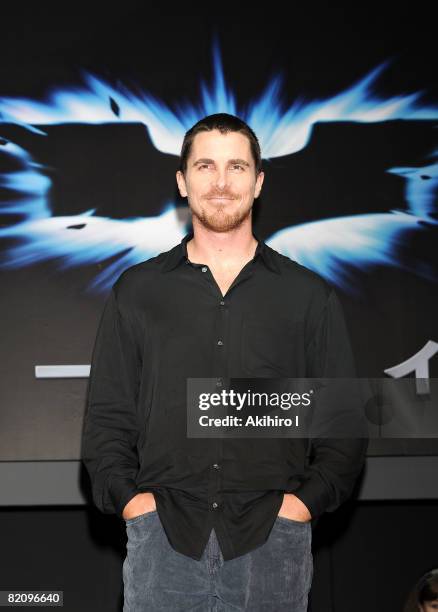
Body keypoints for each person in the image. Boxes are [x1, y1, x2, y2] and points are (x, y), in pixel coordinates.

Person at [81, 112, 368, 611]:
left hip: (272, 543)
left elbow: (342, 425)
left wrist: (298, 508)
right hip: (164, 539)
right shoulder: (139, 290)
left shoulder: (306, 295)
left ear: (258, 183)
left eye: (236, 167)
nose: (220, 182)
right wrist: (135, 505)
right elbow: (107, 415)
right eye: (205, 166)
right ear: (182, 181)